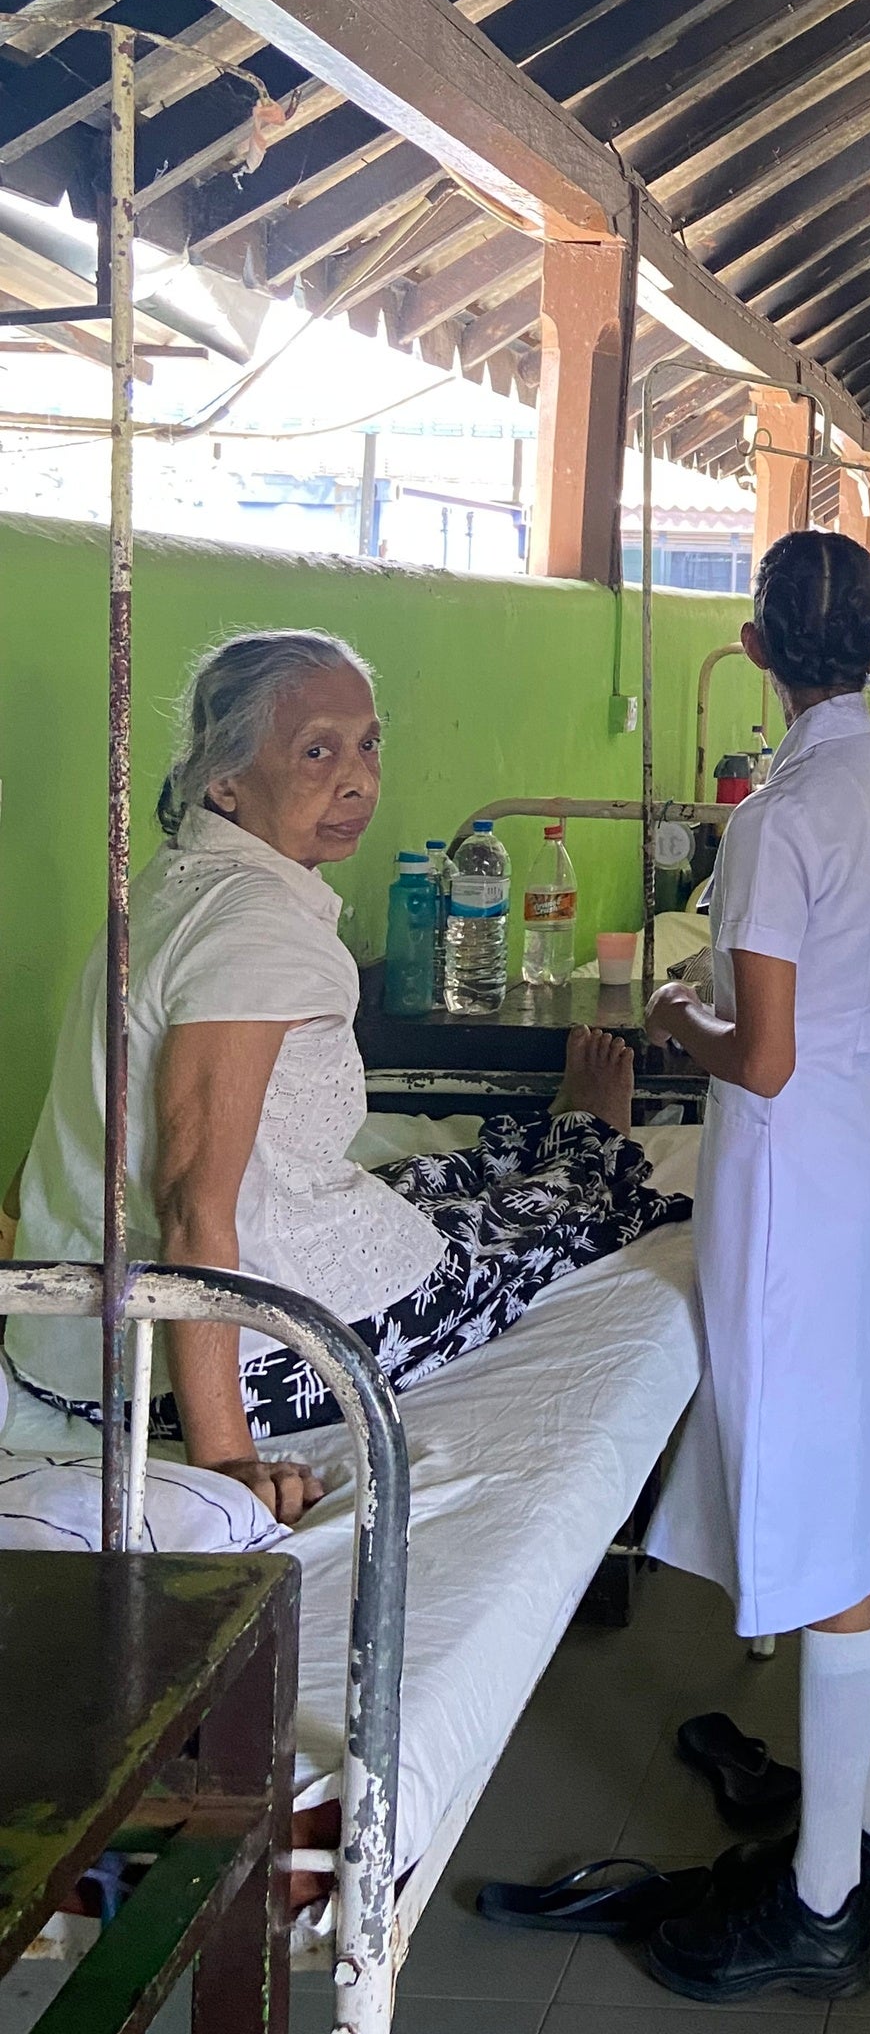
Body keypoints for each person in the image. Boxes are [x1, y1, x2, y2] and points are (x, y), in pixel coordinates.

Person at [8, 630, 681, 1514]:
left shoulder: (174, 883)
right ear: (225, 780)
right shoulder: (255, 930)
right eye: (316, 751)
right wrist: (226, 1458)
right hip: (197, 1364)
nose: (359, 778)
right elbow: (189, 1198)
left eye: (368, 743)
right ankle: (587, 1136)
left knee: (431, 1180)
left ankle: (551, 1137)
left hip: (69, 1348)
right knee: (548, 1218)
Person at [639, 532, 870, 2003]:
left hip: (797, 1173)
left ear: (755, 650)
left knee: (826, 1521)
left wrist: (671, 1017)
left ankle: (821, 1904)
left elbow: (756, 1055)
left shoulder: (780, 817)